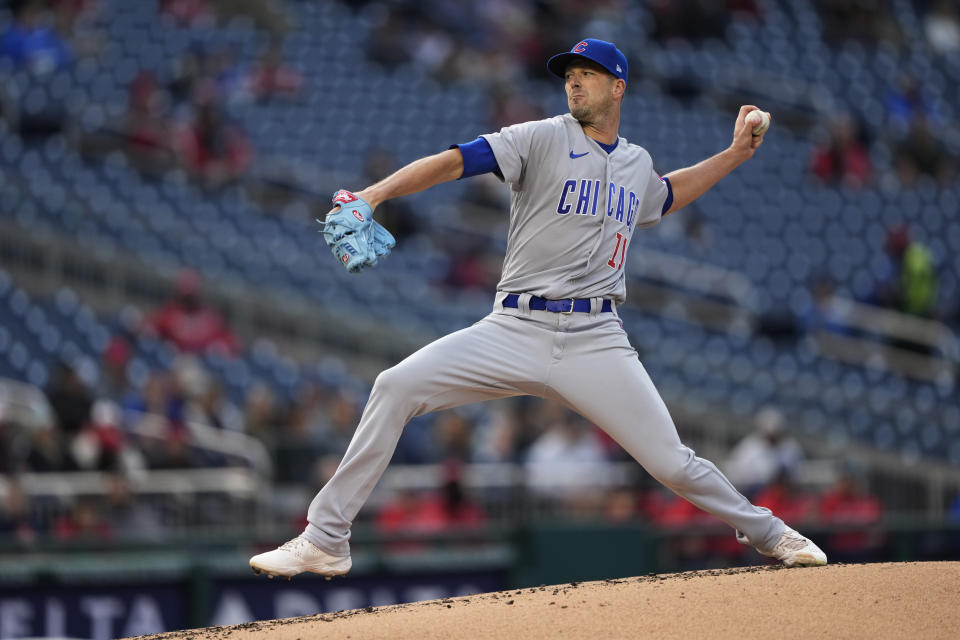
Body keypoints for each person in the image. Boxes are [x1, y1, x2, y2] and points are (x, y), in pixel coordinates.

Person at [249, 38, 827, 579]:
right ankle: (326, 538)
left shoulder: (634, 162)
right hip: (515, 326)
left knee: (673, 463)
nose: (574, 85)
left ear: (618, 87)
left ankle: (773, 534)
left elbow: (666, 195)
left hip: (596, 337)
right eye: (569, 77)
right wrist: (374, 195)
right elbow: (456, 160)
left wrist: (731, 155)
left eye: (587, 76)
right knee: (395, 385)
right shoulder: (542, 137)